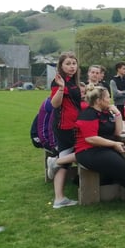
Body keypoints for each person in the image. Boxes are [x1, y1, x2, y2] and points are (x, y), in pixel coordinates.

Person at [48, 52, 82, 209]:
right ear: (61, 66)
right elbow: (55, 104)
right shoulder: (59, 82)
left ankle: (59, 198)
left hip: (75, 125)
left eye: (74, 63)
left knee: (68, 160)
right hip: (65, 127)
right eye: (68, 63)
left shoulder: (73, 82)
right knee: (74, 157)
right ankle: (59, 198)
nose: (72, 66)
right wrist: (61, 88)